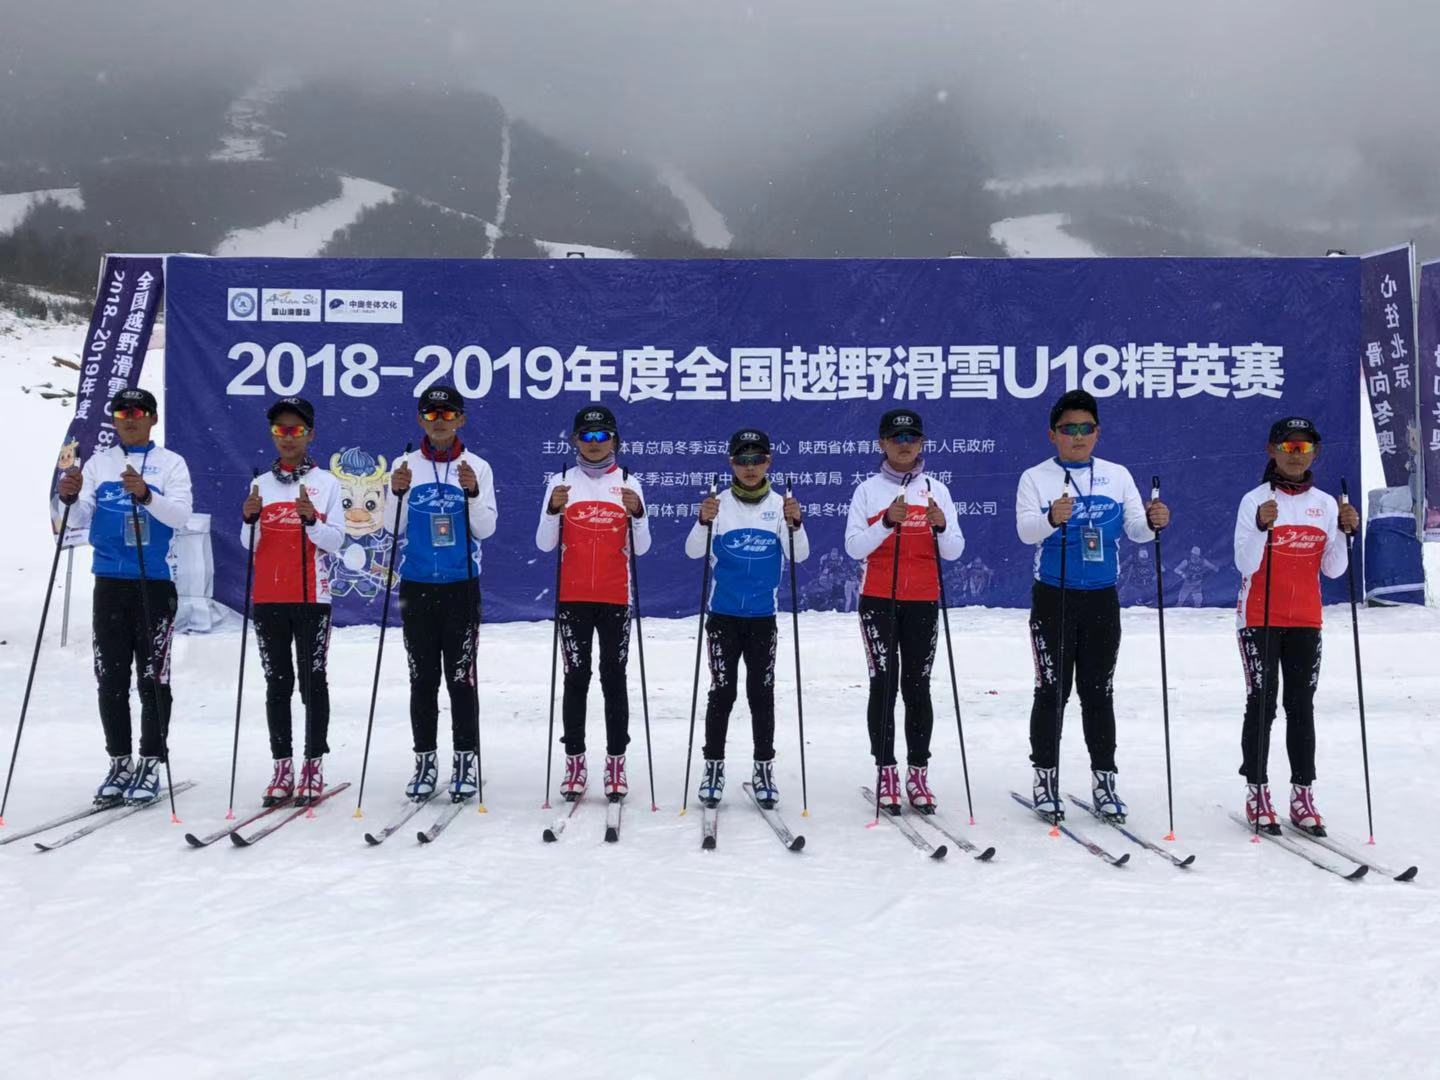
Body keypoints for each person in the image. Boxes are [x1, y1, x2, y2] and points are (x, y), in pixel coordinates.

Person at [1015, 389, 1169, 822]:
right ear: (1053, 435)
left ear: (1097, 433)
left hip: (1102, 597)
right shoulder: (1035, 477)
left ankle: (1104, 781)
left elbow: (1137, 529)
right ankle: (1045, 778)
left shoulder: (1117, 475)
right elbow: (1026, 532)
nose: (1077, 437)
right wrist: (1050, 518)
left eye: (1085, 429)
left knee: (1098, 694)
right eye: (1069, 430)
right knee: (1052, 692)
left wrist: (1155, 520)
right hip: (1054, 596)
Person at [54, 388, 193, 805]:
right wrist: (68, 497)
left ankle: (151, 760)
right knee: (110, 677)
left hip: (154, 582)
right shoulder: (99, 463)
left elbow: (181, 516)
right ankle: (120, 760)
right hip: (109, 581)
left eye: (138, 412)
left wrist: (147, 494)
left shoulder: (171, 463)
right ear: (114, 420)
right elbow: (75, 521)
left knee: (153, 677)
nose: (129, 418)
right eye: (121, 412)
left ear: (152, 418)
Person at [1233, 416, 1357, 834]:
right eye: (1287, 447)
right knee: (1263, 704)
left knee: (1301, 708)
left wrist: (1343, 531)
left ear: (1314, 454)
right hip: (1258, 618)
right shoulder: (1255, 500)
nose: (1295, 455)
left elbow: (1336, 570)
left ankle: (1302, 794)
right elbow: (1245, 564)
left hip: (1306, 619)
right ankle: (1257, 790)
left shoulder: (1325, 503)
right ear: (1272, 450)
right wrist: (1259, 527)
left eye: (1303, 449)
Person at [844, 408, 964, 812]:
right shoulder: (867, 490)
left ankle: (917, 773)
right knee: (884, 684)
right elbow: (854, 547)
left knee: (918, 687)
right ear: (882, 444)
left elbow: (954, 551)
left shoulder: (937, 488)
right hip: (878, 599)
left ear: (923, 444)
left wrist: (943, 526)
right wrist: (885, 523)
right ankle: (886, 769)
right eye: (897, 438)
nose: (905, 444)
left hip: (923, 600)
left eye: (912, 437)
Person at [685, 429, 809, 808]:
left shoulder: (779, 504)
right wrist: (702, 521)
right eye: (743, 460)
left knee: (761, 694)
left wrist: (796, 523)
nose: (751, 467)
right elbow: (693, 552)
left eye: (758, 460)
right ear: (731, 464)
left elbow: (799, 556)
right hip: (722, 618)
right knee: (722, 693)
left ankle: (763, 767)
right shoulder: (717, 504)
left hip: (761, 619)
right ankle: (713, 766)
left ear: (769, 462)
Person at [386, 386, 498, 802]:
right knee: (422, 679)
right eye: (431, 415)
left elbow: (486, 529)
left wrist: (471, 494)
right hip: (416, 587)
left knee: (461, 679)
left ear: (461, 419)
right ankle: (425, 760)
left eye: (448, 415)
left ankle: (465, 758)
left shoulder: (477, 467)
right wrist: (394, 493)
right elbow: (390, 527)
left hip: (461, 587)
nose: (440, 422)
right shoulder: (404, 464)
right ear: (421, 420)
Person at [536, 405, 650, 802]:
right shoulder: (561, 481)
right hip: (573, 598)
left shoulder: (630, 482)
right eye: (587, 436)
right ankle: (575, 762)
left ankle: (616, 763)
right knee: (575, 679)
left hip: (616, 597)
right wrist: (553, 510)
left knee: (614, 679)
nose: (595, 444)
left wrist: (637, 513)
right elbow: (544, 543)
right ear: (574, 441)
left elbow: (643, 546)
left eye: (603, 437)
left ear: (615, 441)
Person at [240, 397, 344, 806]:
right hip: (268, 597)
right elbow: (249, 544)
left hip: (311, 597)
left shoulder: (326, 483)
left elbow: (336, 541)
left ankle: (313, 764)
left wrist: (311, 519)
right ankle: (282, 766)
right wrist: (248, 518)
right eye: (280, 430)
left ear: (310, 434)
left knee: (312, 683)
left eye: (296, 430)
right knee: (276, 684)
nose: (288, 437)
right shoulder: (260, 484)